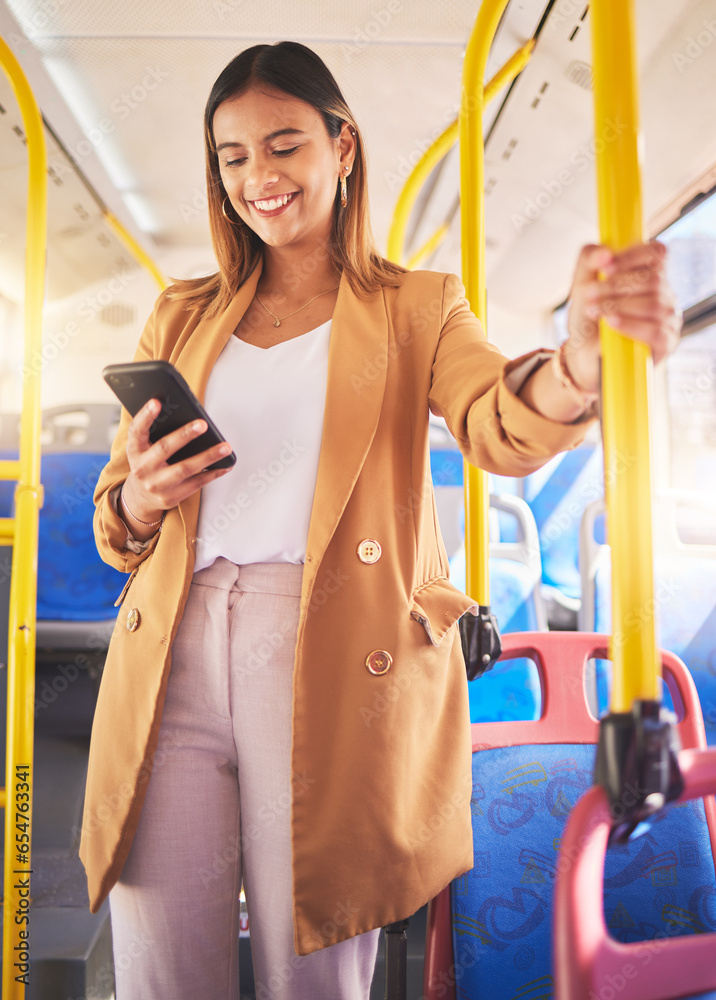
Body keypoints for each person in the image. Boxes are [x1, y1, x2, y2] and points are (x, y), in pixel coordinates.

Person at [80, 40, 681, 1000]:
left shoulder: (417, 307)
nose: (259, 178)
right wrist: (141, 497)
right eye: (233, 156)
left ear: (343, 146)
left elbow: (497, 426)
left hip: (332, 646)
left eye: (284, 145)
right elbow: (117, 524)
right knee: (160, 967)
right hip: (170, 654)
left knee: (313, 966)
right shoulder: (180, 315)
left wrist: (573, 366)